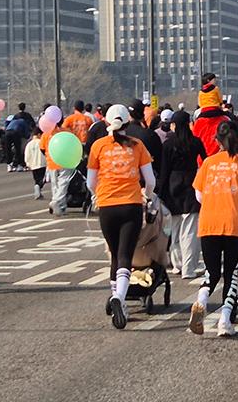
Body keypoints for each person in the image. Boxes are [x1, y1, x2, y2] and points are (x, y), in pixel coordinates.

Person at [189, 121, 238, 338]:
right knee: (232, 273)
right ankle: (225, 320)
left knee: (211, 272)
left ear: (217, 140)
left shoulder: (209, 162)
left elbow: (199, 195)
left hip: (208, 224)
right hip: (233, 224)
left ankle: (201, 301)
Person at [86, 104, 156, 329]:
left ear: (106, 122)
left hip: (107, 205)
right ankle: (119, 298)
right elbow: (150, 180)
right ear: (128, 123)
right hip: (131, 204)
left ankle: (115, 294)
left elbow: (90, 183)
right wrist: (148, 194)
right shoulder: (137, 146)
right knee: (126, 253)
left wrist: (99, 194)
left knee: (114, 253)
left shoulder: (98, 146)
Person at [161, 107, 207, 279]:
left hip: (172, 186)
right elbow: (206, 160)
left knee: (174, 228)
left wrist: (161, 191)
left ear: (174, 125)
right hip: (191, 184)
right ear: (188, 124)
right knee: (189, 230)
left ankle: (177, 264)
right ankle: (188, 268)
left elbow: (164, 170)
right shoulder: (195, 142)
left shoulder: (168, 144)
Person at [40, 111, 79, 216]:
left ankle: (59, 206)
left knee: (55, 185)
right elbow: (74, 145)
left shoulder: (46, 134)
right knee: (63, 184)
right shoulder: (67, 132)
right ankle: (57, 202)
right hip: (66, 162)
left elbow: (42, 149)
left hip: (52, 162)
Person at [192, 74, 228, 157]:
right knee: (229, 119)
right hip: (215, 110)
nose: (215, 81)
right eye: (214, 79)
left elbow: (200, 103)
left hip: (204, 111)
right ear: (209, 80)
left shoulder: (200, 91)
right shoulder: (215, 88)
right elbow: (220, 100)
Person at [24, 123, 48, 200]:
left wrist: (28, 163)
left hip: (33, 165)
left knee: (36, 179)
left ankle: (38, 192)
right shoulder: (41, 142)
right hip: (42, 164)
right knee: (42, 179)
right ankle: (38, 190)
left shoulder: (29, 144)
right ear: (39, 134)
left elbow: (27, 155)